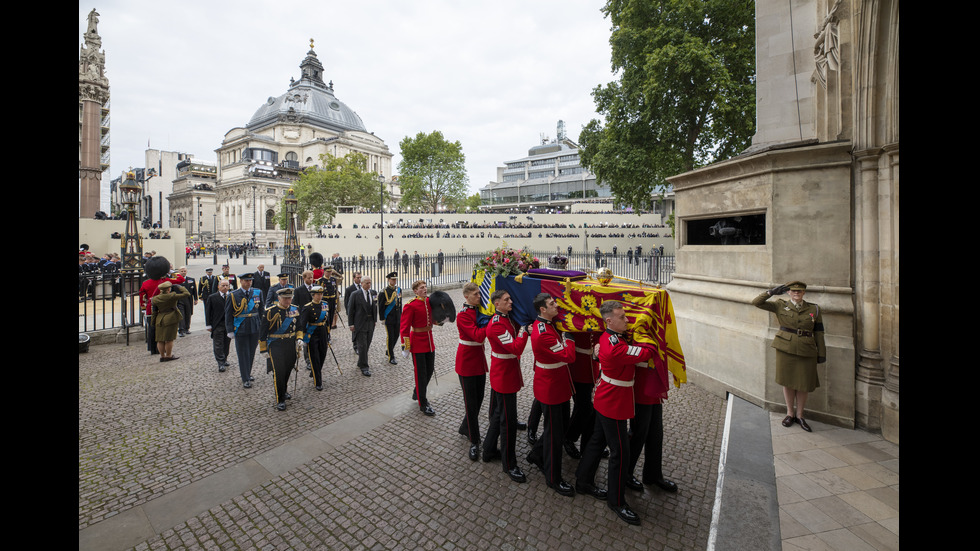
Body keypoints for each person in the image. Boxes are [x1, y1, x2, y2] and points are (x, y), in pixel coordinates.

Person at [575, 300, 657, 526]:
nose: (627, 320)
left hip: (607, 398)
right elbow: (647, 351)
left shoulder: (609, 338)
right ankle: (616, 501)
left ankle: (583, 481)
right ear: (609, 320)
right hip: (614, 403)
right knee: (620, 453)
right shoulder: (616, 346)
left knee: (595, 442)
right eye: (622, 317)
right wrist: (646, 336)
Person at [752, 281, 826, 432]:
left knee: (804, 383)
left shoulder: (814, 309)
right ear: (788, 292)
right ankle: (789, 414)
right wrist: (771, 292)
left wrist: (822, 353)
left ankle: (800, 416)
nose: (796, 293)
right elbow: (756, 302)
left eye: (799, 291)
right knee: (788, 382)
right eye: (793, 291)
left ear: (804, 293)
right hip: (785, 348)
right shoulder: (779, 305)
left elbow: (819, 332)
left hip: (807, 349)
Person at [525, 293, 577, 497]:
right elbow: (568, 356)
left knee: (557, 429)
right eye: (552, 304)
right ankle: (553, 478)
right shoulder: (543, 332)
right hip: (551, 388)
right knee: (555, 435)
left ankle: (537, 455)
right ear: (542, 310)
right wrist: (569, 338)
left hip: (557, 383)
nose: (557, 306)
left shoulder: (546, 324)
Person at [482, 290, 530, 484]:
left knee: (498, 415)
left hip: (508, 372)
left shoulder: (507, 319)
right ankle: (509, 464)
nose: (511, 302)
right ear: (496, 304)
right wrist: (525, 331)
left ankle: (488, 450)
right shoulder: (495, 326)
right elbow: (517, 348)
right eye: (506, 300)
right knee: (508, 422)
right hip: (503, 376)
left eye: (510, 298)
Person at [627, 345, 678, 493]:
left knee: (656, 433)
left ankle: (653, 474)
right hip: (640, 381)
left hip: (653, 378)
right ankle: (625, 473)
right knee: (638, 433)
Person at [455, 282, 488, 461]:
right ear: (466, 296)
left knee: (480, 398)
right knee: (471, 403)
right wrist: (491, 324)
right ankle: (475, 440)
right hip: (467, 362)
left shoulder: (479, 311)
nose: (479, 296)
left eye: (479, 293)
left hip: (478, 359)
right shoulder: (463, 315)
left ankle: (465, 426)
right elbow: (477, 335)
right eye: (475, 294)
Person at [260, 287, 300, 411]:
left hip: (290, 344)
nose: (288, 301)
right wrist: (263, 349)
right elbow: (263, 332)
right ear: (279, 298)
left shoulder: (295, 309)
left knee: (288, 369)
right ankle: (280, 399)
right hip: (276, 344)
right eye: (285, 298)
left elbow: (299, 326)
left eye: (289, 298)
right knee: (279, 371)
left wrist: (299, 338)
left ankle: (284, 389)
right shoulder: (270, 311)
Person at [401, 280, 437, 416]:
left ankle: (417, 391)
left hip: (429, 341)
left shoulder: (429, 302)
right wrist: (406, 346)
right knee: (420, 374)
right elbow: (404, 327)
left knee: (429, 370)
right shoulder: (411, 305)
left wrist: (443, 319)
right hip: (417, 343)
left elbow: (433, 319)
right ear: (415, 291)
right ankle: (423, 403)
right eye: (422, 288)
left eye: (425, 287)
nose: (425, 289)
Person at [564, 332, 601, 459]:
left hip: (592, 366)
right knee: (584, 407)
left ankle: (589, 446)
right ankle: (569, 437)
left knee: (591, 410)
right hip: (578, 367)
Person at [225, 273, 264, 389]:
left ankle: (248, 372)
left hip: (254, 327)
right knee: (243, 354)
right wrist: (230, 330)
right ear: (241, 281)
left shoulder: (258, 292)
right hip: (240, 327)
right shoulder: (233, 295)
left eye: (250, 280)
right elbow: (228, 314)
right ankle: (245, 378)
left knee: (251, 352)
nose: (249, 283)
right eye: (246, 280)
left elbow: (261, 311)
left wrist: (262, 327)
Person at [298, 285, 329, 391]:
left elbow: (326, 320)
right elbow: (303, 323)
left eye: (321, 294)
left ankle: (315, 372)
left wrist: (328, 333)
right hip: (313, 334)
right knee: (315, 358)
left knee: (323, 354)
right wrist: (302, 337)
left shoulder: (325, 304)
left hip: (322, 332)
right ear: (313, 295)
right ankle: (318, 381)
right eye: (318, 294)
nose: (320, 296)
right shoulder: (308, 307)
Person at [151, 281, 189, 361]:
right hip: (171, 318)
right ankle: (168, 355)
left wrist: (153, 322)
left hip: (159, 319)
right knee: (169, 339)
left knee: (160, 339)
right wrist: (179, 287)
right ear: (168, 289)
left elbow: (154, 311)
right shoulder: (172, 296)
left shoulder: (155, 299)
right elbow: (186, 294)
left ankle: (162, 356)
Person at [348, 276, 378, 377]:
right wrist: (351, 324)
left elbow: (375, 307)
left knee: (367, 343)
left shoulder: (373, 293)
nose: (369, 285)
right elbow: (350, 309)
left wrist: (375, 320)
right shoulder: (355, 294)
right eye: (367, 283)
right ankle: (364, 366)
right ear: (362, 283)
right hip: (360, 323)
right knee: (362, 345)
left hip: (370, 323)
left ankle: (361, 361)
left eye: (370, 283)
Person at [204, 279, 232, 372]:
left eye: (226, 286)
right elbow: (208, 312)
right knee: (218, 344)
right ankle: (220, 362)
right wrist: (208, 325)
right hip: (217, 324)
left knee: (226, 343)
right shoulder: (212, 297)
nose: (225, 287)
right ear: (218, 286)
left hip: (228, 324)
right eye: (223, 285)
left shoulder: (231, 296)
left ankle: (225, 358)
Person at [378, 272, 402, 365]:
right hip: (389, 317)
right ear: (388, 280)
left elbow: (400, 304)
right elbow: (380, 306)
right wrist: (382, 318)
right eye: (392, 279)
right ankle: (391, 356)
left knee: (396, 335)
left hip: (397, 317)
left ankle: (389, 349)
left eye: (395, 279)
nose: (394, 281)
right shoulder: (383, 291)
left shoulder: (399, 290)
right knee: (390, 336)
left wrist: (401, 315)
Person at [175, 266, 198, 337]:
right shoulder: (176, 280)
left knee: (188, 313)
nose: (183, 272)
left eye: (184, 271)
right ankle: (181, 330)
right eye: (182, 271)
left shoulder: (191, 279)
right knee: (181, 314)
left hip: (189, 299)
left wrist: (196, 299)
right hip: (180, 299)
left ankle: (187, 328)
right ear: (179, 272)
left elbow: (194, 290)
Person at [344, 272, 363, 352]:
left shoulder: (363, 287)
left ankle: (361, 344)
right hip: (354, 313)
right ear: (354, 278)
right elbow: (346, 302)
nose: (359, 279)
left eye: (360, 277)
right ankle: (355, 345)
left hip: (362, 313)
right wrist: (349, 314)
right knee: (355, 331)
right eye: (358, 278)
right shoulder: (349, 289)